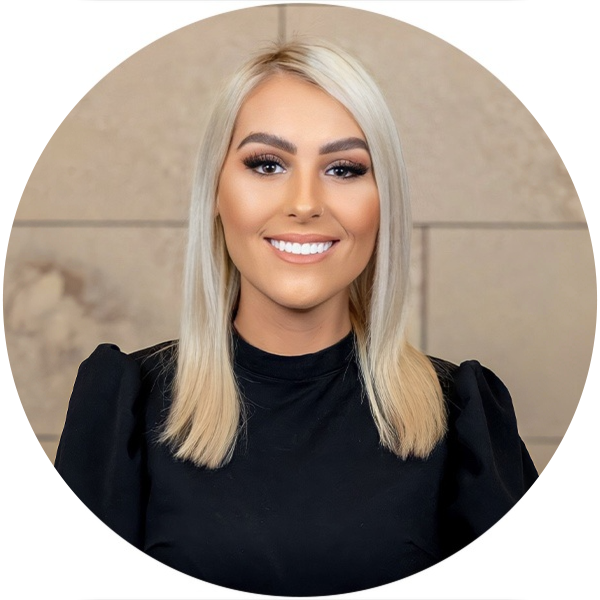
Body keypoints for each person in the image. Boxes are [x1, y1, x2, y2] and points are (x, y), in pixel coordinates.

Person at [55, 39, 538, 596]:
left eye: (343, 168)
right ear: (215, 192)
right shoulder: (123, 405)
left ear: (384, 201)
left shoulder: (464, 416)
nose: (305, 203)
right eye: (267, 164)